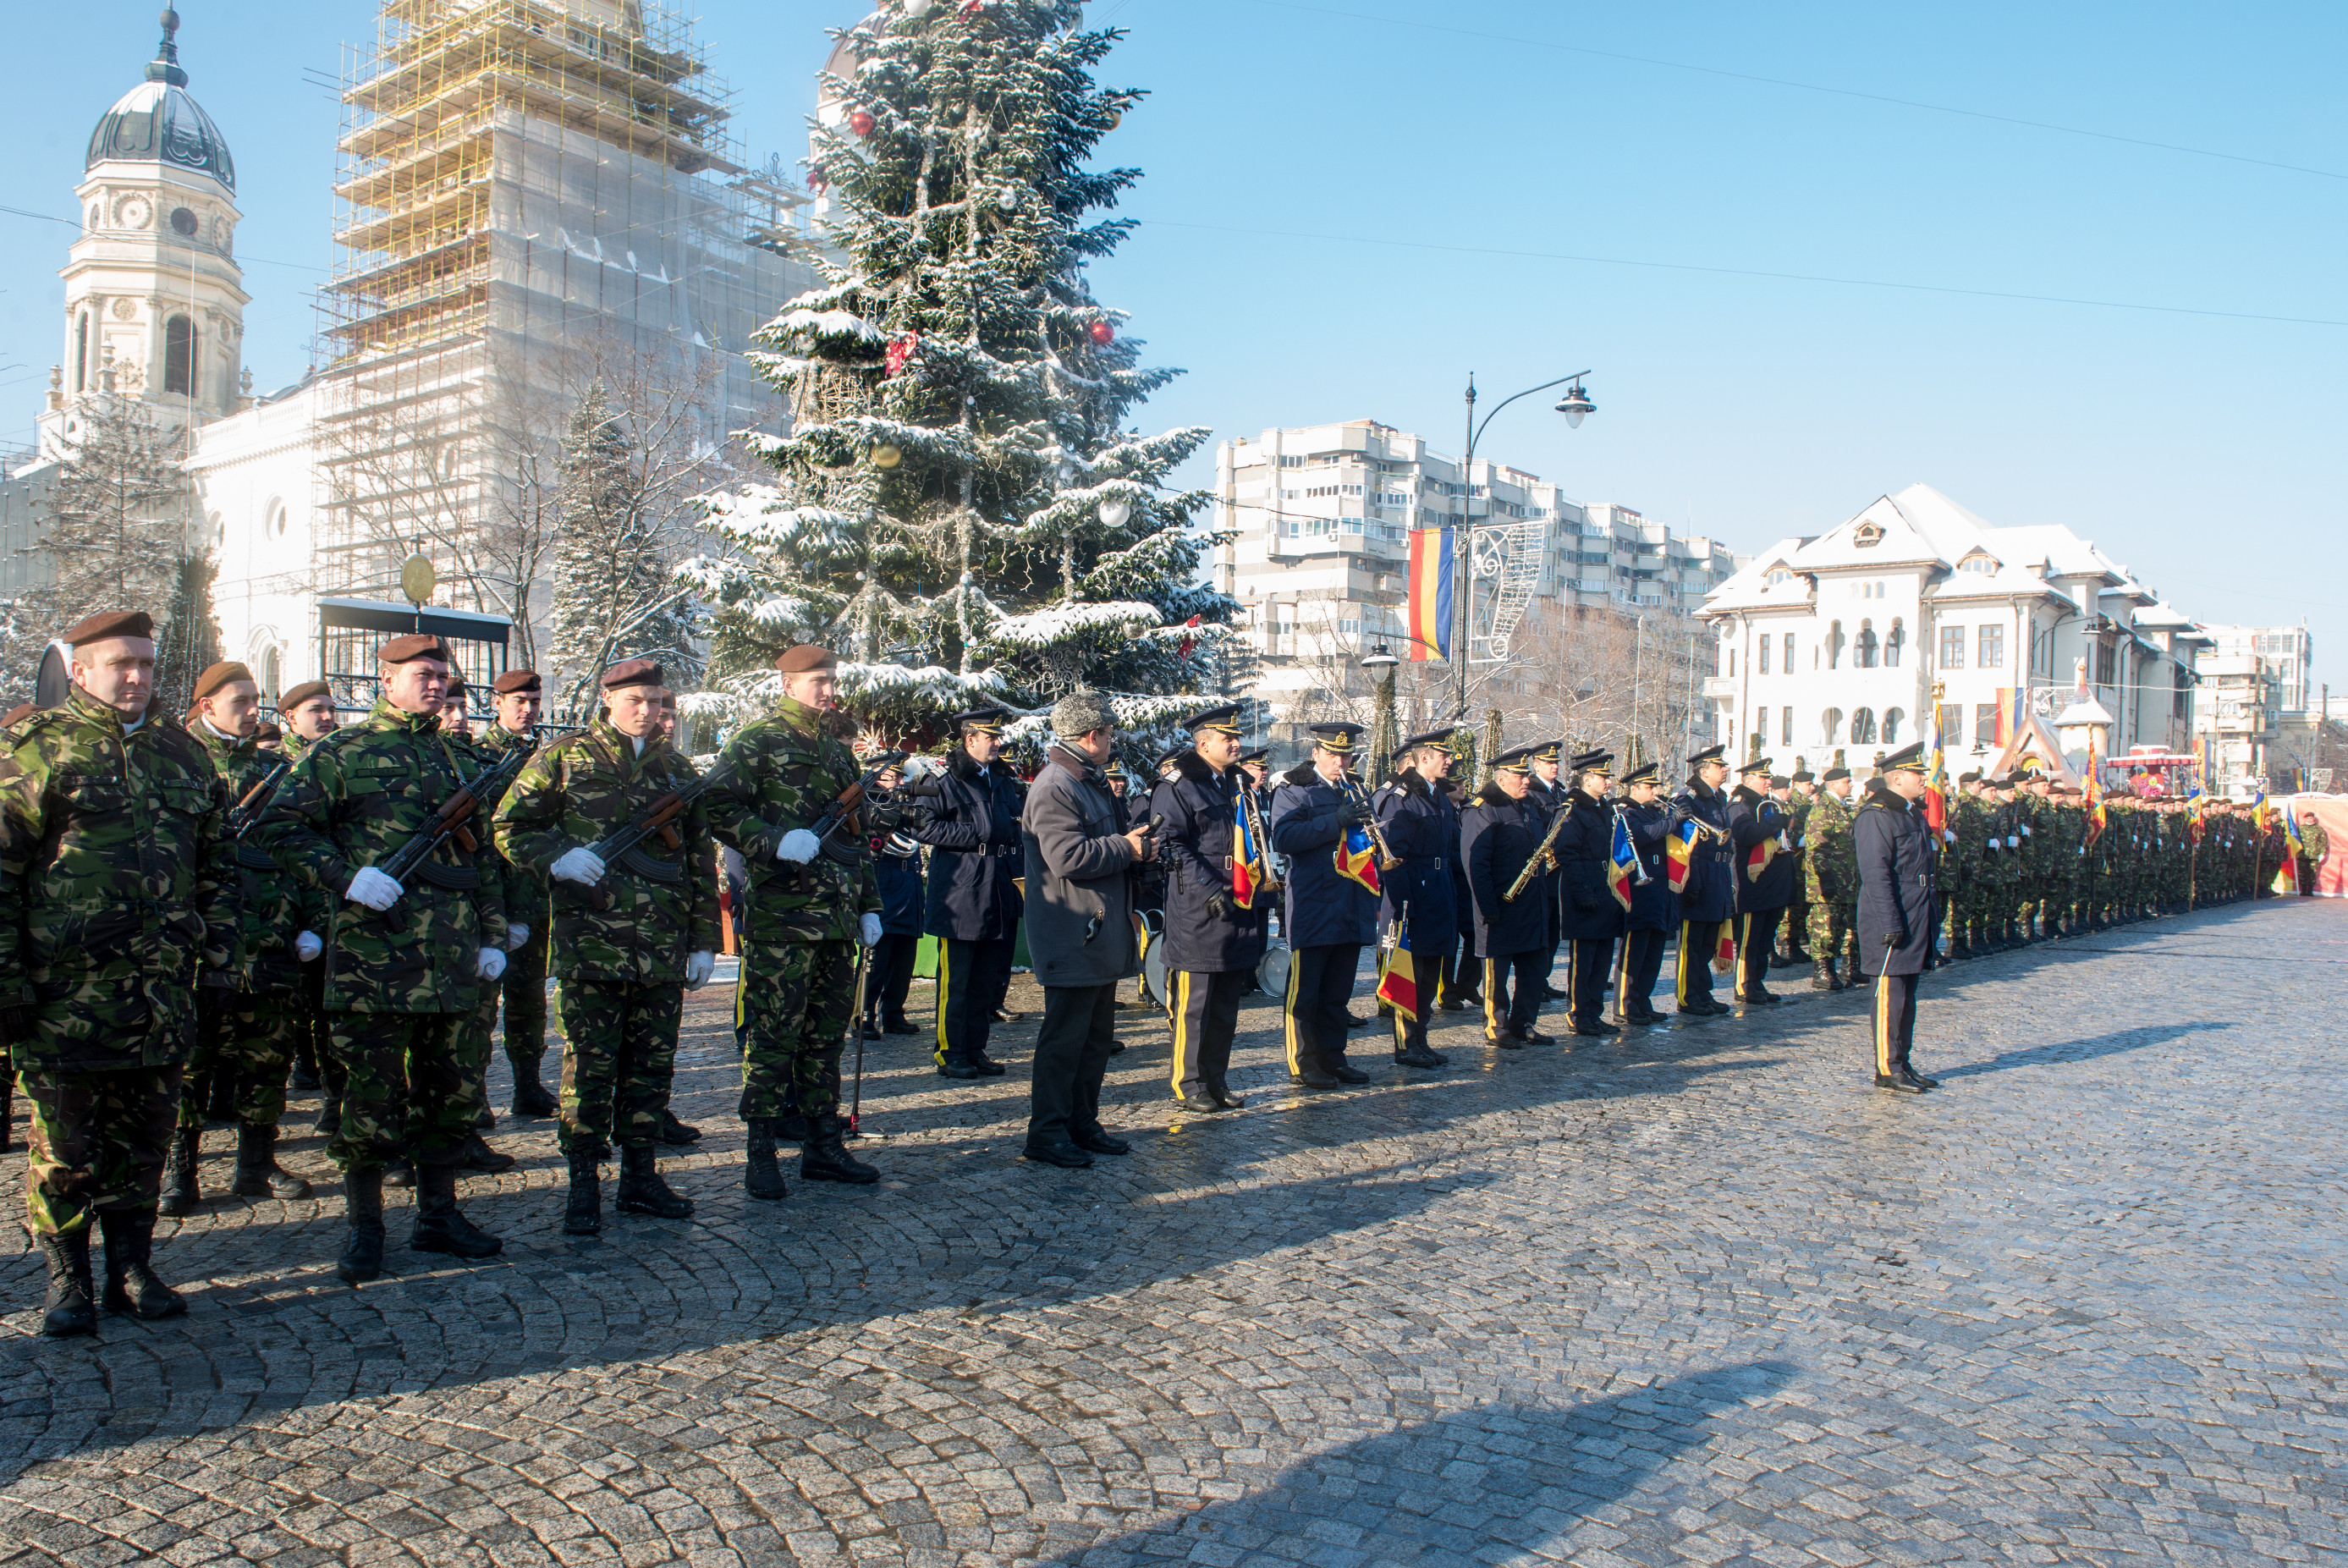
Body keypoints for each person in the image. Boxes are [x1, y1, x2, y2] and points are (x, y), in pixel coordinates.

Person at [0, 610, 237, 1335]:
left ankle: (133, 1269)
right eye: (117, 664)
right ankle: (66, 1279)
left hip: (161, 992)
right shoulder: (34, 749)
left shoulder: (183, 755)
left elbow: (217, 869)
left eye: (144, 662)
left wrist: (221, 965)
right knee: (65, 1146)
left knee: (144, 1140)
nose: (134, 677)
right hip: (65, 995)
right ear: (79, 670)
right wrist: (8, 984)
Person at [255, 633, 513, 1283]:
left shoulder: (459, 759)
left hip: (453, 959)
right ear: (385, 676)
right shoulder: (342, 753)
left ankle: (438, 1214)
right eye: (421, 673)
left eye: (441, 674)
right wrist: (344, 878)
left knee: (448, 1093)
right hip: (374, 960)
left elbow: (477, 856)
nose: (434, 683)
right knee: (369, 1100)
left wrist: (489, 934)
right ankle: (365, 1227)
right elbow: (279, 828)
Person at [493, 658, 714, 1235]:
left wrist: (702, 941)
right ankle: (584, 1182)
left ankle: (641, 1177)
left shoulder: (677, 770)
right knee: (587, 1069)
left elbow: (696, 861)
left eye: (656, 700)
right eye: (635, 699)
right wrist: (556, 857)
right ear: (607, 698)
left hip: (661, 947)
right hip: (591, 946)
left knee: (650, 1068)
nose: (647, 710)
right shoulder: (566, 757)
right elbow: (509, 825)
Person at [703, 645, 883, 1197]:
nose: (828, 690)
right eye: (817, 681)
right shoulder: (756, 741)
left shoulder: (836, 752)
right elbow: (715, 807)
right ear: (786, 684)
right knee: (774, 1038)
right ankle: (760, 1153)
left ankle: (822, 1145)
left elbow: (857, 839)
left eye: (831, 680)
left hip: (834, 920)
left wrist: (869, 904)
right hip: (783, 920)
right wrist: (775, 840)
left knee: (826, 1037)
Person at [163, 659, 317, 1215]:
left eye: (257, 700)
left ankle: (256, 1163)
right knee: (193, 1061)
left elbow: (301, 853)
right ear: (206, 706)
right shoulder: (177, 765)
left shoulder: (277, 770)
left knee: (267, 1057)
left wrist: (308, 924)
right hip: (202, 947)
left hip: (272, 940)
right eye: (240, 701)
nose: (254, 711)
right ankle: (180, 1168)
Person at [1020, 690, 1155, 1166]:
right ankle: (1047, 1133)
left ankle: (1081, 1122)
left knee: (1094, 1040)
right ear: (1092, 736)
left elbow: (1106, 847)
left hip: (1094, 931)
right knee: (1064, 1041)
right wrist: (1126, 847)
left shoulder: (1086, 780)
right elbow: (1067, 858)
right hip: (1072, 931)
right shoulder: (1056, 784)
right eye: (1111, 732)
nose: (1115, 740)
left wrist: (1138, 849)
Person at [1151, 704, 1270, 1103]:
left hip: (1238, 902)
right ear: (1203, 744)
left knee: (1225, 1006)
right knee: (1195, 1005)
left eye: (1235, 737)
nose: (1237, 744)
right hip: (1199, 908)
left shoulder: (1234, 783)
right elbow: (1171, 844)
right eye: (1227, 738)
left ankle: (1216, 1081)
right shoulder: (1178, 784)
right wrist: (1208, 888)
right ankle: (1189, 1085)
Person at [913, 707, 1026, 1080]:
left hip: (997, 887)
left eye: (998, 737)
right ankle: (949, 1051)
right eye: (990, 737)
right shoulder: (944, 780)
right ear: (970, 740)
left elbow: (1014, 824)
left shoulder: (1001, 780)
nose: (997, 743)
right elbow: (923, 826)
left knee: (985, 980)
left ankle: (975, 1049)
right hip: (961, 890)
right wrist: (977, 835)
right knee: (957, 981)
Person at [1267, 723, 1378, 1091]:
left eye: (1346, 755)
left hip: (1351, 901)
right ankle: (1303, 1062)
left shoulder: (1354, 787)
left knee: (1337, 993)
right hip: (1315, 903)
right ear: (1316, 753)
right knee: (1306, 992)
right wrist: (1336, 821)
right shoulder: (1295, 789)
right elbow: (1285, 837)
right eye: (1332, 754)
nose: (1340, 762)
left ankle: (1334, 1058)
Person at [478, 669, 556, 1120]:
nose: (527, 709)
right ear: (498, 701)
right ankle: (476, 1097)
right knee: (483, 1003)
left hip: (537, 894)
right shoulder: (478, 755)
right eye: (518, 701)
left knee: (529, 998)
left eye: (533, 700)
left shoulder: (547, 754)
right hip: (496, 895)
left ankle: (527, 1084)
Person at [1855, 741, 1939, 1094]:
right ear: (1898, 777)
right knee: (1890, 994)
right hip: (1891, 913)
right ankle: (1887, 1067)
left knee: (1907, 995)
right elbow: (1876, 873)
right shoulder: (1876, 815)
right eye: (1919, 774)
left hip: (1917, 910)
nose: (1925, 780)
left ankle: (1901, 1061)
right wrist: (1890, 922)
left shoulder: (1910, 812)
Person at [1372, 729, 1458, 1068]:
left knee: (1431, 968)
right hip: (1413, 891)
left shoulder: (1436, 793)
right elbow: (1392, 855)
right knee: (1412, 968)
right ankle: (1405, 1043)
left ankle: (1421, 1037)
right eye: (1443, 756)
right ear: (1424, 758)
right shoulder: (1402, 796)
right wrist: (1402, 899)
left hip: (1438, 889)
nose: (1449, 761)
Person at [274, 679, 340, 1115]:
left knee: (333, 1015)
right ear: (290, 718)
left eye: (330, 708)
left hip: (334, 908)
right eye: (315, 709)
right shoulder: (273, 769)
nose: (327, 717)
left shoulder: (339, 762)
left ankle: (336, 1103)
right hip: (281, 913)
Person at [1462, 745, 1552, 1047]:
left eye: (1527, 775)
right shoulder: (1483, 808)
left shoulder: (1528, 807)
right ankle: (1496, 1026)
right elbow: (1476, 864)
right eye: (1519, 775)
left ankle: (1523, 1022)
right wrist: (1487, 905)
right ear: (1501, 779)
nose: (1526, 780)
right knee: (1497, 973)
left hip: (1532, 904)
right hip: (1500, 905)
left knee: (1534, 969)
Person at [1550, 749, 1624, 1037]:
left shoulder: (1603, 808)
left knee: (1603, 957)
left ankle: (1594, 1012)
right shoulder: (1574, 809)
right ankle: (1578, 1013)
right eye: (1603, 778)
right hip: (1585, 889)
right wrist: (1582, 891)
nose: (1608, 783)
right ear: (1588, 778)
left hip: (1605, 889)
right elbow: (1567, 853)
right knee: (1584, 960)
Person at [1669, 744, 1736, 1017]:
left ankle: (1702, 991)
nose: (1725, 770)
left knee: (1708, 941)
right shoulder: (1689, 798)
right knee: (1692, 942)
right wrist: (1692, 883)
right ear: (1705, 770)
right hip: (1699, 875)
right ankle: (1687, 996)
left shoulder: (1719, 798)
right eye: (1720, 766)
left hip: (1718, 875)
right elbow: (1687, 845)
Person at [864, 753, 925, 1039]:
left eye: (901, 776)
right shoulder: (869, 805)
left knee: (903, 962)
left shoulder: (907, 804)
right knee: (877, 959)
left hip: (908, 886)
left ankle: (894, 1013)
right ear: (876, 778)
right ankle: (864, 1015)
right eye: (892, 777)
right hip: (884, 886)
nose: (899, 782)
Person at [1727, 752, 1795, 1006]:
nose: (1769, 782)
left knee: (1765, 938)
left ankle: (1757, 981)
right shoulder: (1740, 804)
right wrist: (1776, 822)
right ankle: (1744, 984)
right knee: (1750, 938)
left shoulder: (1765, 804)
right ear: (1749, 779)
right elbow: (1746, 834)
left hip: (1771, 885)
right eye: (1764, 778)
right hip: (1751, 885)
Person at [1611, 760, 1675, 1025]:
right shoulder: (1627, 813)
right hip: (1640, 889)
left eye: (1655, 785)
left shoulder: (1652, 811)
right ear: (1635, 788)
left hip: (1659, 888)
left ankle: (1643, 1000)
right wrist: (1672, 821)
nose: (1655, 790)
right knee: (1634, 950)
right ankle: (1625, 1004)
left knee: (1653, 951)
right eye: (1650, 786)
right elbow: (1641, 835)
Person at [1802, 757, 1860, 990]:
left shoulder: (1842, 809)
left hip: (1846, 882)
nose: (1851, 785)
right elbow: (1817, 848)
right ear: (1834, 785)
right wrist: (1825, 880)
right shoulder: (1823, 809)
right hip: (1828, 883)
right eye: (1847, 781)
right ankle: (1822, 972)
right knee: (1824, 928)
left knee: (1842, 927)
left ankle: (1844, 968)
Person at [1525, 741, 1570, 1002]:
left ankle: (1542, 978)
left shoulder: (1559, 792)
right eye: (1548, 763)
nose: (1554, 766)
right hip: (1545, 870)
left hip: (1560, 871)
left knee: (1553, 932)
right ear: (1537, 765)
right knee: (1541, 931)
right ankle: (1533, 982)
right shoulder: (1532, 791)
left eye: (1556, 763)